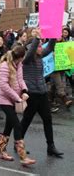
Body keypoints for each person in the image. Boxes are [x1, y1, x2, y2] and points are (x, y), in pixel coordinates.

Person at [20, 28, 63, 158]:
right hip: (31, 94)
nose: (41, 48)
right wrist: (37, 38)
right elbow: (31, 52)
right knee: (27, 120)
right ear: (31, 47)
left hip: (42, 92)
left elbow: (49, 47)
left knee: (47, 119)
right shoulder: (25, 59)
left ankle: (51, 146)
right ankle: (18, 144)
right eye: (38, 46)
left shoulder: (40, 56)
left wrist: (54, 35)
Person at [0, 46, 35, 166]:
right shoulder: (5, 65)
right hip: (4, 100)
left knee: (8, 126)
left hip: (13, 99)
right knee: (17, 125)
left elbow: (20, 79)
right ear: (20, 57)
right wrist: (17, 98)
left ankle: (1, 152)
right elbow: (3, 85)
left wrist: (24, 91)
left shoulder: (18, 64)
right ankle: (23, 157)